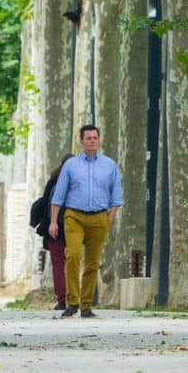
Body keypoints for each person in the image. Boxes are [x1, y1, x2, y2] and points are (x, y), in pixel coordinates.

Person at [49, 124, 123, 318]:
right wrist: (54, 221)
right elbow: (59, 195)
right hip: (74, 216)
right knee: (72, 255)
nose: (92, 140)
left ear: (99, 140)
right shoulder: (71, 165)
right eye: (88, 138)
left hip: (99, 217)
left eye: (95, 137)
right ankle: (72, 302)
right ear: (81, 142)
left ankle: (86, 305)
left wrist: (109, 218)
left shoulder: (109, 165)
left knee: (92, 263)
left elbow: (117, 196)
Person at [37, 154, 74, 310]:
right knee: (74, 261)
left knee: (58, 264)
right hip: (73, 226)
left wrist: (48, 225)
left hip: (54, 228)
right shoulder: (79, 183)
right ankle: (75, 296)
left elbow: (45, 203)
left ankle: (62, 299)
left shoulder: (53, 180)